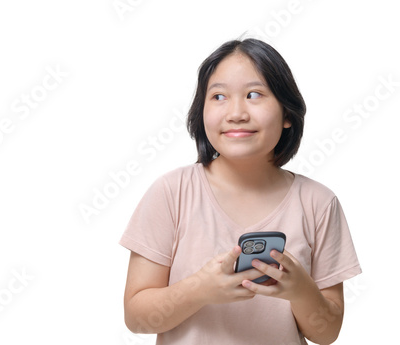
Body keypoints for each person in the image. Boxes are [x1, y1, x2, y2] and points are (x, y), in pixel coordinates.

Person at [119, 37, 361, 345]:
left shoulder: (319, 203)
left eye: (254, 94)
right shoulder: (172, 192)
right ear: (201, 111)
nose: (236, 113)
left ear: (287, 114)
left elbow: (327, 333)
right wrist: (200, 289)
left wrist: (302, 291)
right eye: (218, 96)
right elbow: (136, 318)